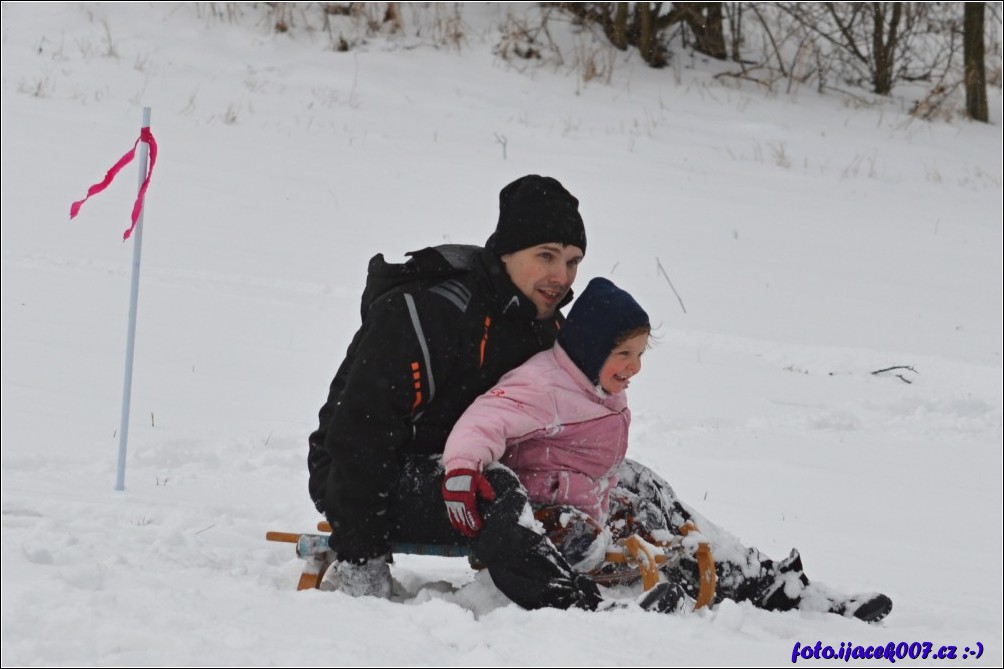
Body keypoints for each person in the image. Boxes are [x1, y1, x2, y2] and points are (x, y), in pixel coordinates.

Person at [442, 277, 893, 622]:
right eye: (623, 353)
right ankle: (595, 603)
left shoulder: (594, 379)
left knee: (648, 489)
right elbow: (483, 420)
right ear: (588, 347)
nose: (634, 367)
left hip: (591, 493)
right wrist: (463, 467)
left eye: (640, 354)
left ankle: (771, 586)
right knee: (582, 537)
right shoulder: (543, 385)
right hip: (547, 510)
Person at [307, 174, 613, 610]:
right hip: (369, 477)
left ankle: (735, 575)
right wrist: (361, 555)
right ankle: (574, 606)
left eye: (573, 261)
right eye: (546, 256)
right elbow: (358, 438)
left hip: (474, 465)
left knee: (620, 477)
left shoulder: (544, 327)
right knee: (494, 488)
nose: (561, 276)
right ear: (507, 252)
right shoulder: (427, 312)